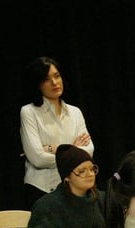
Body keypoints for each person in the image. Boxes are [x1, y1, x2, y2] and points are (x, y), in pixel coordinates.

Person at [20, 56, 94, 208]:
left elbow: (88, 153)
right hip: (42, 189)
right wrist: (71, 149)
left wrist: (52, 148)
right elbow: (38, 159)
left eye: (57, 76)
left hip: (74, 188)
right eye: (46, 79)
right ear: (37, 84)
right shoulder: (29, 112)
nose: (54, 83)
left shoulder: (75, 112)